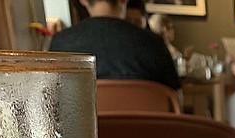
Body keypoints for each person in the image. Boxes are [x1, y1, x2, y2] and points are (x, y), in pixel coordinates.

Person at [49, 0, 180, 90]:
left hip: (84, 130)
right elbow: (175, 100)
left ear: (83, 0)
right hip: (144, 129)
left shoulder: (60, 43)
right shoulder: (153, 43)